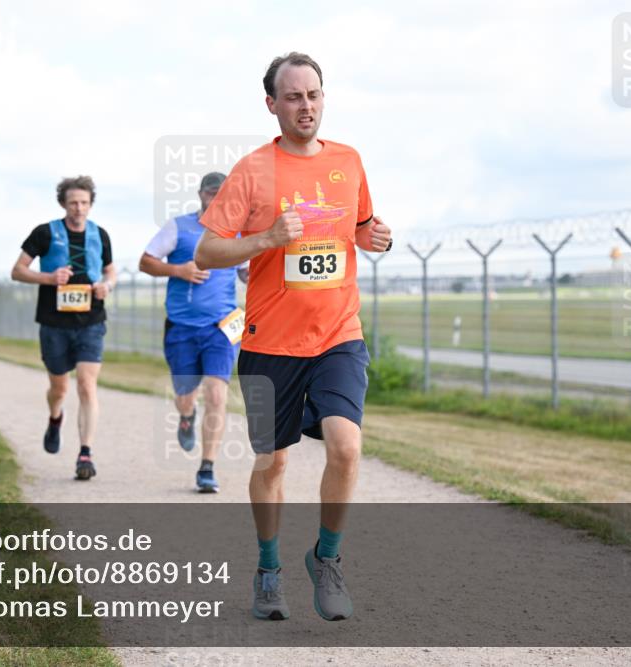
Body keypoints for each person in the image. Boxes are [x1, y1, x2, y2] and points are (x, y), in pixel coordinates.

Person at [194, 52, 393, 622]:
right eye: (293, 97)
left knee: (346, 446)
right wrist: (266, 239)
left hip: (338, 335)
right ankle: (268, 569)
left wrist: (375, 237)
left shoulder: (349, 160)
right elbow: (207, 251)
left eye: (314, 95)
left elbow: (360, 228)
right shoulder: (253, 170)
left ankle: (327, 558)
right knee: (272, 464)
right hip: (268, 344)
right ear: (272, 105)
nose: (306, 107)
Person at [139, 172, 248, 493]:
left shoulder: (237, 232)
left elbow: (247, 273)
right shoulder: (179, 227)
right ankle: (186, 416)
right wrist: (178, 270)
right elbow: (146, 262)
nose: (216, 198)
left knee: (217, 394)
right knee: (185, 397)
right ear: (201, 194)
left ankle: (207, 467)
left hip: (222, 327)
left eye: (222, 193)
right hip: (182, 327)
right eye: (211, 192)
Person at [11, 175, 116, 481]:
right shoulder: (44, 233)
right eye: (73, 203)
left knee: (86, 384)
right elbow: (17, 271)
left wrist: (107, 285)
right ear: (63, 204)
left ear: (91, 204)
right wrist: (48, 278)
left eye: (84, 203)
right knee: (59, 389)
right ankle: (55, 417)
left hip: (91, 321)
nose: (78, 208)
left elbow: (110, 271)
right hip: (54, 323)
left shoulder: (100, 234)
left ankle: (85, 453)